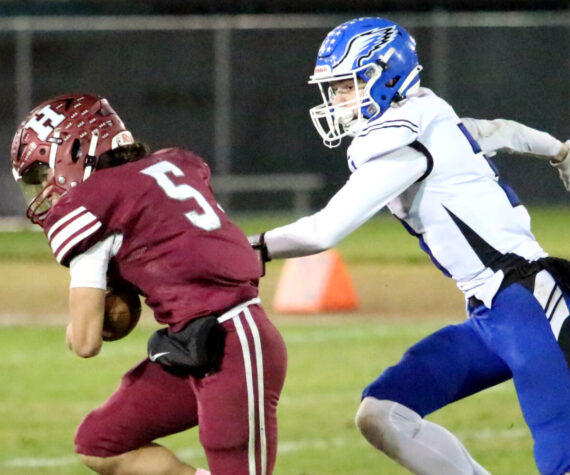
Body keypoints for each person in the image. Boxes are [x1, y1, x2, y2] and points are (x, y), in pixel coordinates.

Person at [248, 17, 570, 475]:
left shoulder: (403, 141)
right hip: (491, 313)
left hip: (529, 301)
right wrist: (557, 149)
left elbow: (324, 231)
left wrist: (252, 248)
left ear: (384, 75)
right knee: (382, 413)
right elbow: (498, 131)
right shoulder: (426, 116)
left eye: (346, 85)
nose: (337, 100)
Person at [10, 93, 287, 475]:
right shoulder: (170, 167)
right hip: (193, 341)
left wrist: (82, 322)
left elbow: (86, 342)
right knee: (102, 442)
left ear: (74, 153)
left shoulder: (91, 203)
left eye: (44, 174)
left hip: (236, 340)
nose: (46, 190)